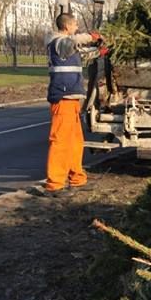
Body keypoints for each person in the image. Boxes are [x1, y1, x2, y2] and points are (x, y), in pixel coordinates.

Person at [43, 12, 101, 193]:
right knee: (60, 141)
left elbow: (81, 52)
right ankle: (55, 184)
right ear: (67, 27)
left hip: (72, 99)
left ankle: (77, 178)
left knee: (75, 141)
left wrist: (99, 50)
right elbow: (74, 42)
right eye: (75, 25)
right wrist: (91, 36)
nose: (76, 28)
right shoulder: (58, 42)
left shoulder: (65, 47)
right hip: (63, 98)